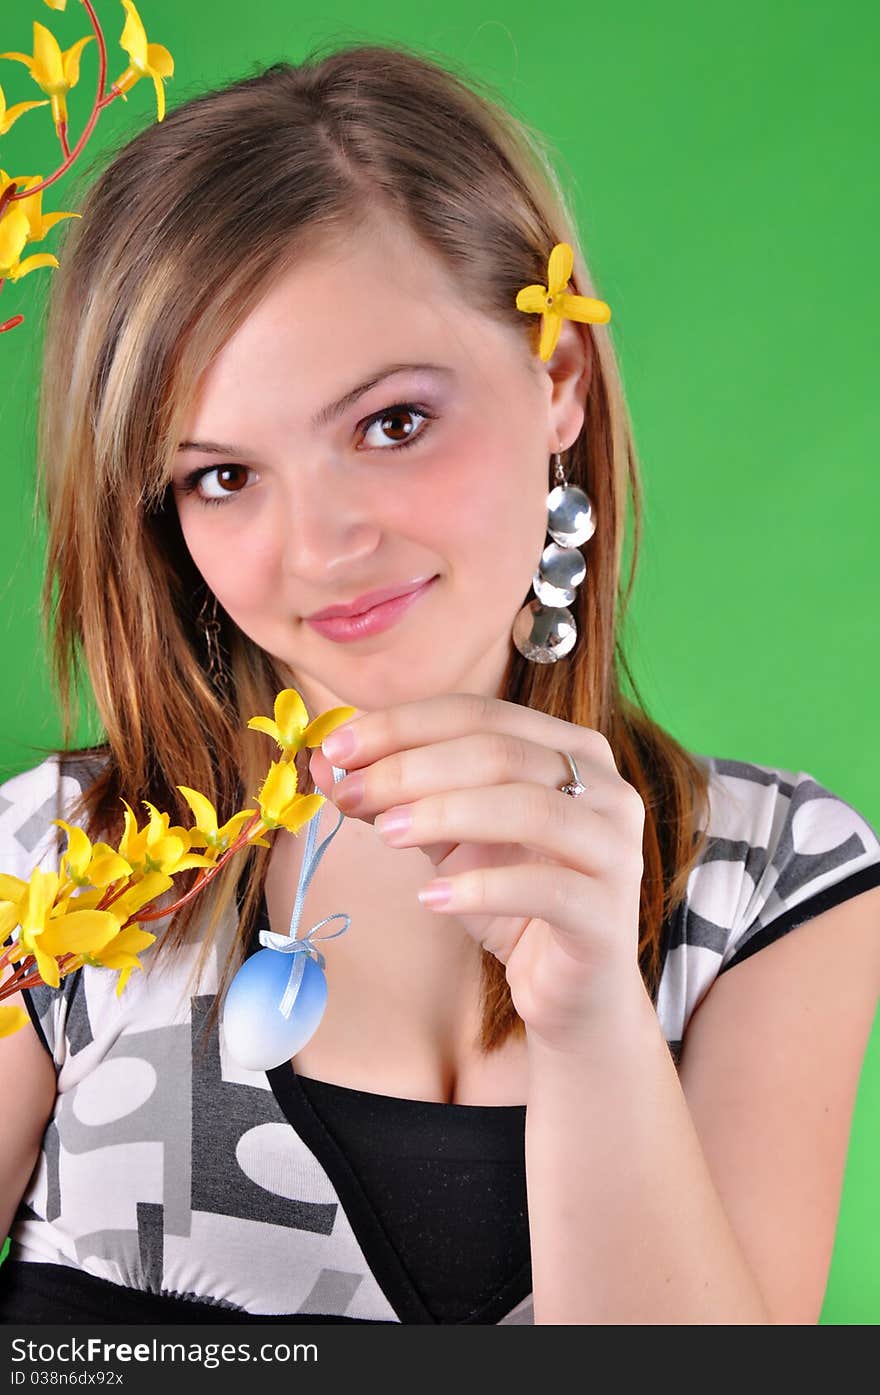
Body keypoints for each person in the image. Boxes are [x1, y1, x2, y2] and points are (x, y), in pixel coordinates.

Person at [1, 41, 879, 1328]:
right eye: (222, 475)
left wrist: (590, 1022)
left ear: (558, 379)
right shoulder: (54, 867)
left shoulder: (773, 885)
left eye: (391, 422)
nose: (320, 547)